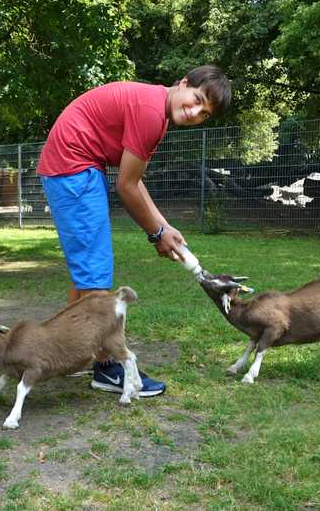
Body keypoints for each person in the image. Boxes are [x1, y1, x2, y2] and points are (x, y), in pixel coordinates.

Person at [37, 65, 231, 396]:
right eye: (196, 99)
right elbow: (126, 186)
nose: (195, 111)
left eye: (204, 113)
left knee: (86, 274)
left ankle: (62, 353)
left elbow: (134, 182)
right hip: (74, 166)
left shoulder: (155, 107)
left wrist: (164, 226)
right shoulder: (151, 114)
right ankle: (106, 368)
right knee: (95, 279)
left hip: (72, 165)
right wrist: (156, 234)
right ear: (182, 83)